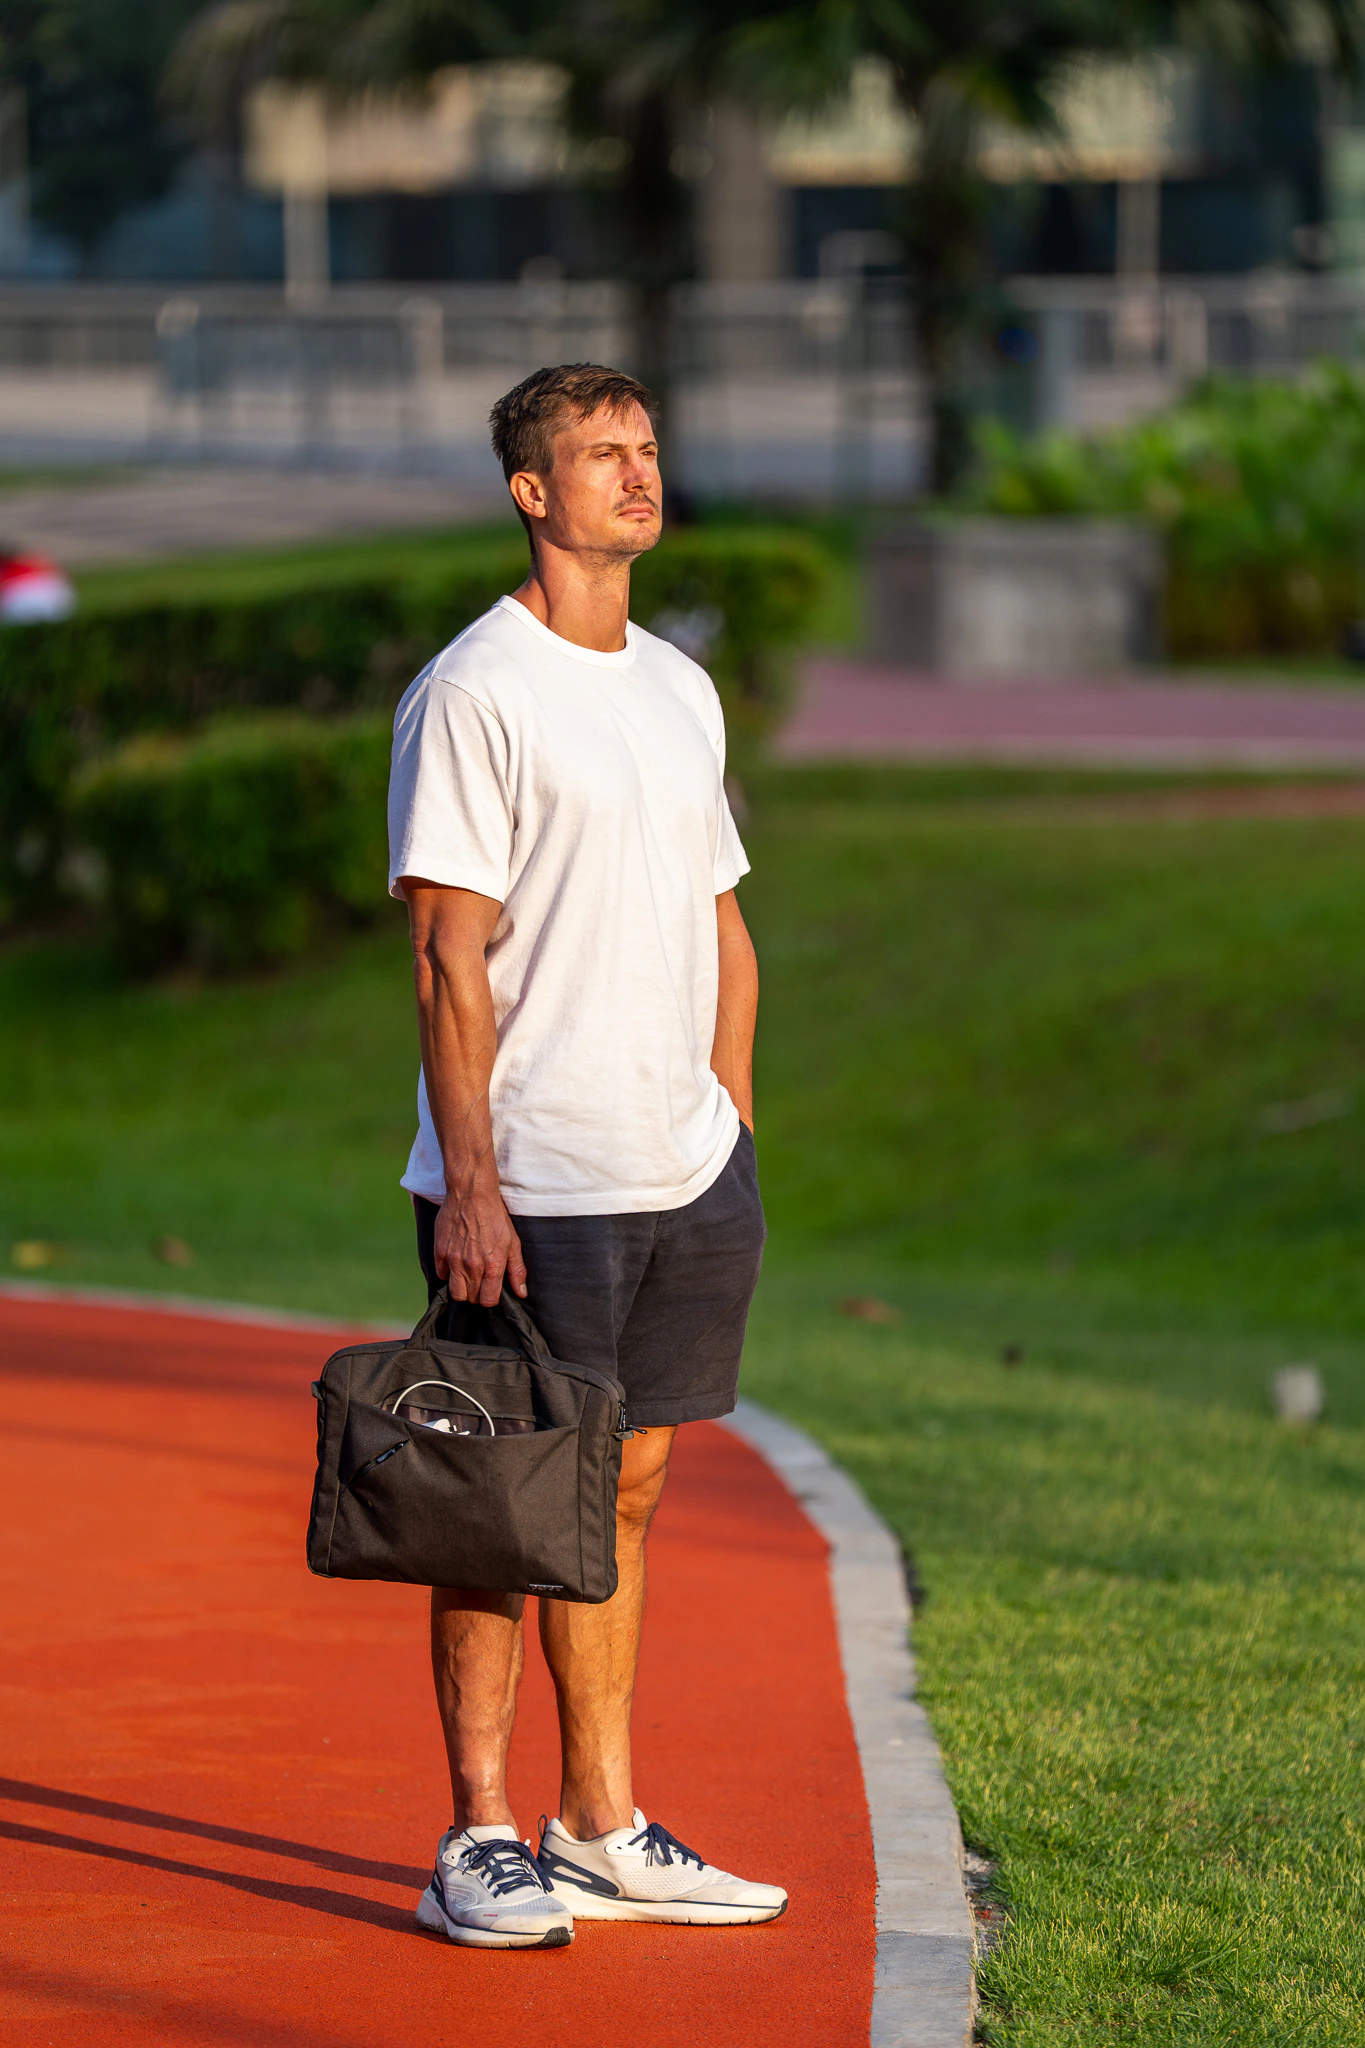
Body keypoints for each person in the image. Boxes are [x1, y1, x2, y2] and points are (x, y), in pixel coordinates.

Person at [387, 362, 785, 1950]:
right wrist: (469, 1183)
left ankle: (599, 1825)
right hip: (533, 1183)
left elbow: (724, 928)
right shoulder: (475, 691)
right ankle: (478, 1835)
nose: (637, 470)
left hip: (681, 1166)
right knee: (497, 1501)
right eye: (598, 453)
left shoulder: (678, 689)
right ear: (531, 494)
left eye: (646, 445)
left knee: (626, 1492)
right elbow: (444, 958)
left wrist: (732, 1124)